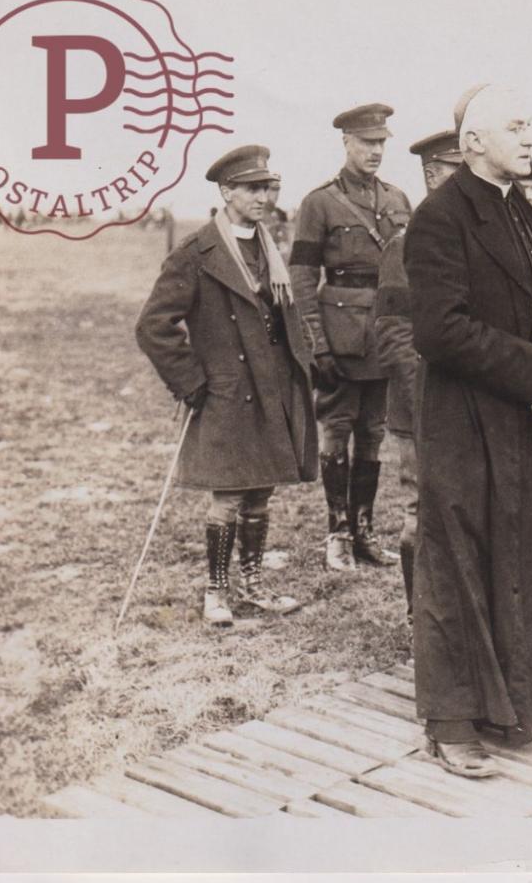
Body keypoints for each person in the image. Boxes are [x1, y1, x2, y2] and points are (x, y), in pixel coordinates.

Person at [405, 84, 532, 777]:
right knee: (458, 566)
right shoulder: (438, 218)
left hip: (522, 420)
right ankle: (451, 722)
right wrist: (527, 372)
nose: (531, 138)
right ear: (474, 142)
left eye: (531, 126)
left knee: (517, 556)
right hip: (467, 421)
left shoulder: (523, 212)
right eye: (516, 127)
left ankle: (510, 705)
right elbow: (439, 329)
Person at [135, 145, 318, 626]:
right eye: (254, 188)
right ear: (226, 192)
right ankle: (216, 592)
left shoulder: (271, 246)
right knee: (229, 493)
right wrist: (191, 381)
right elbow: (153, 326)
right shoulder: (196, 253)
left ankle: (254, 584)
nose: (265, 197)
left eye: (269, 187)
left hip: (273, 382)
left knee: (261, 489)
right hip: (228, 389)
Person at [289, 104, 412, 573]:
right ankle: (337, 532)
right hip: (339, 337)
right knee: (336, 432)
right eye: (367, 143)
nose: (376, 151)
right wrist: (315, 342)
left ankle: (364, 530)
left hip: (385, 336)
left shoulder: (399, 199)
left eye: (381, 142)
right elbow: (303, 278)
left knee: (374, 435)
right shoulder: (320, 203)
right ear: (347, 144)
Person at [372, 129, 463, 620]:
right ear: (431, 175)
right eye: (454, 171)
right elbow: (393, 335)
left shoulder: (470, 242)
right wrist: (426, 403)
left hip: (467, 403)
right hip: (421, 408)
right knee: (421, 511)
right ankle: (419, 614)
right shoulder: (404, 247)